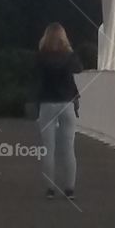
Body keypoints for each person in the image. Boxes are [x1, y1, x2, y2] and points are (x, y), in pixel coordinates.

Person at [37, 22, 83, 199]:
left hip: (47, 102)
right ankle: (70, 188)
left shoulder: (41, 56)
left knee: (48, 149)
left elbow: (35, 76)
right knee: (68, 148)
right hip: (67, 103)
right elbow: (78, 69)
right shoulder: (69, 56)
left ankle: (50, 189)